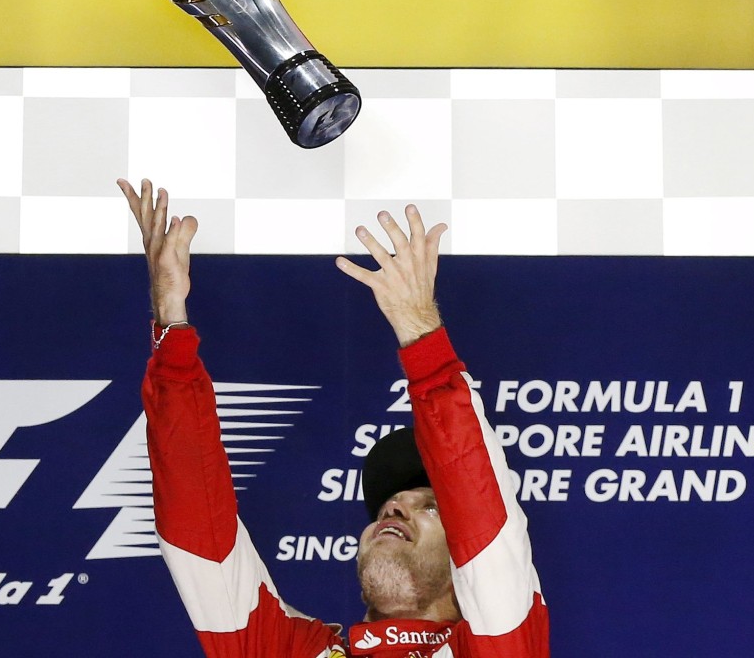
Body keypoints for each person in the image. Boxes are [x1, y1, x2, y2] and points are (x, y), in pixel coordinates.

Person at [118, 178, 550, 658]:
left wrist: (421, 333)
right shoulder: (291, 650)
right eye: (389, 504)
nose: (393, 507)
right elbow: (199, 539)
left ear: (462, 564)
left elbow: (483, 515)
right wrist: (171, 325)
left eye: (430, 506)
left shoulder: (499, 643)